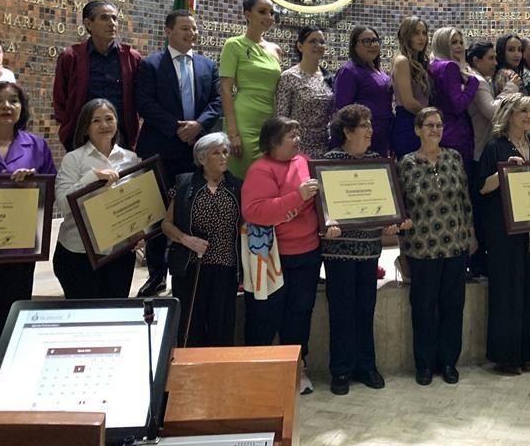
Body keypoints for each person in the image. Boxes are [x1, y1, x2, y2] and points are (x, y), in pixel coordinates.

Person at [135, 9, 222, 297]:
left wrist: (198, 125)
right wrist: (176, 128)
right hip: (161, 150)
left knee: (192, 211)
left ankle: (187, 271)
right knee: (158, 214)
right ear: (168, 31)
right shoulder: (151, 64)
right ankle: (157, 275)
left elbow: (217, 101)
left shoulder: (207, 65)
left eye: (194, 29)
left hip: (195, 152)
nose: (191, 33)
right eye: (185, 28)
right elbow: (144, 102)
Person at [0, 82, 56, 352]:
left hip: (18, 251)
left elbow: (49, 194)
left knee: (11, 323)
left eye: (13, 101)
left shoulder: (36, 146)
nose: (6, 106)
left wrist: (33, 185)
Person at [321, 105, 404, 394]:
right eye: (363, 125)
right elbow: (324, 207)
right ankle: (340, 371)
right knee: (342, 311)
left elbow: (385, 207)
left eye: (371, 124)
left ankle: (366, 366)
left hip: (369, 249)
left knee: (366, 309)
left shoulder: (375, 162)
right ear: (346, 131)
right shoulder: (329, 162)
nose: (370, 130)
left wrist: (389, 224)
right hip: (338, 251)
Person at [241, 117, 322, 395]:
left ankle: (298, 371)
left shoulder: (304, 161)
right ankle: (258, 375)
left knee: (300, 316)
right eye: (291, 135)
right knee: (265, 317)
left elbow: (316, 202)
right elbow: (254, 211)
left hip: (308, 254)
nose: (297, 139)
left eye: (298, 133)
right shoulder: (260, 170)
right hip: (274, 260)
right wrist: (296, 199)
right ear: (273, 141)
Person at [397, 108, 476, 385]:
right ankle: (424, 364)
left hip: (455, 245)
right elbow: (400, 207)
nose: (435, 130)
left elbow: (464, 199)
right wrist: (401, 247)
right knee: (423, 308)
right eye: (429, 125)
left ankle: (448, 362)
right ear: (417, 129)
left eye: (439, 125)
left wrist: (471, 233)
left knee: (453, 307)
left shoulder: (454, 158)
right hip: (421, 248)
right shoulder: (405, 164)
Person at [476, 93, 530, 374]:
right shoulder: (495, 147)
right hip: (504, 230)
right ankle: (508, 357)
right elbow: (482, 187)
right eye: (523, 111)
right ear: (508, 114)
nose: (529, 117)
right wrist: (504, 172)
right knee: (508, 291)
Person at [54, 99, 141, 298]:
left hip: (119, 254)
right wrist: (92, 178)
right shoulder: (73, 159)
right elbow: (63, 205)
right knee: (83, 317)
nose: (104, 125)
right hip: (79, 252)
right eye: (96, 120)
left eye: (109, 118)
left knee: (114, 315)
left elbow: (138, 203)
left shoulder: (131, 159)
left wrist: (139, 231)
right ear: (85, 127)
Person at [161, 133, 242, 348]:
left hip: (226, 266)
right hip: (191, 266)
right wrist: (185, 239)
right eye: (216, 152)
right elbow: (166, 224)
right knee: (191, 324)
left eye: (225, 151)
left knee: (221, 323)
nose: (223, 156)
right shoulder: (184, 184)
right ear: (202, 158)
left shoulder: (237, 187)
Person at [53, 0, 141, 151]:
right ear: (88, 23)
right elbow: (60, 98)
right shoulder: (71, 57)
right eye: (104, 18)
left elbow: (139, 97)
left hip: (122, 138)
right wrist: (69, 126)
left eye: (114, 18)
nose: (112, 23)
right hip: (81, 137)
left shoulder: (131, 58)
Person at [466, 41, 518, 278]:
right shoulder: (476, 82)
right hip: (478, 152)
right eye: (490, 58)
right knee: (480, 211)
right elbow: (493, 112)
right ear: (475, 60)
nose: (495, 62)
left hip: (484, 149)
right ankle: (478, 264)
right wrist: (510, 89)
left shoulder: (484, 80)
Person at [220, 0, 283, 179]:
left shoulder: (276, 49)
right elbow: (225, 89)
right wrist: (233, 133)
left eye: (272, 13)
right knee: (245, 176)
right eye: (262, 12)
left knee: (268, 177)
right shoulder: (234, 44)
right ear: (248, 14)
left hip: (269, 121)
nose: (269, 17)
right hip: (244, 121)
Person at [332, 27, 393, 157]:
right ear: (354, 46)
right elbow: (342, 110)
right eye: (366, 41)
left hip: (382, 136)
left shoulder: (378, 72)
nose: (372, 45)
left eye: (375, 40)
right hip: (359, 140)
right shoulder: (348, 71)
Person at [276, 26, 334, 159]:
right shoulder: (289, 77)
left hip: (325, 147)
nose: (318, 45)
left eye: (321, 42)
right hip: (297, 148)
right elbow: (282, 118)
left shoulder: (329, 77)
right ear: (300, 46)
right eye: (312, 41)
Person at [428, 27, 479, 165]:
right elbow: (458, 105)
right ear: (443, 44)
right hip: (456, 133)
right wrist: (473, 83)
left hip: (438, 131)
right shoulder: (450, 66)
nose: (459, 47)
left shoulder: (432, 65)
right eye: (454, 42)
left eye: (461, 43)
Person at [390, 17, 432, 158]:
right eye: (416, 33)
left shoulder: (421, 63)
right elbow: (408, 101)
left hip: (422, 122)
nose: (421, 38)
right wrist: (432, 115)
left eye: (424, 33)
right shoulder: (402, 61)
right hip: (408, 123)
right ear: (406, 36)